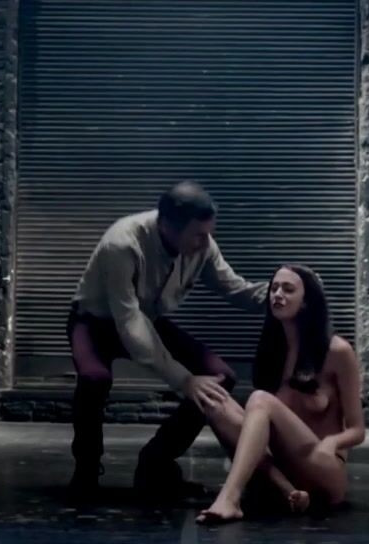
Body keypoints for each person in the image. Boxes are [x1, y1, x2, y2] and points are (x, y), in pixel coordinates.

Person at [66, 181, 268, 498]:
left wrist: (285, 292)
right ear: (167, 226)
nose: (206, 242)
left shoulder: (203, 245)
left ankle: (155, 464)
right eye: (198, 235)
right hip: (95, 321)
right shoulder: (122, 243)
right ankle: (86, 469)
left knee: (220, 377)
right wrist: (184, 379)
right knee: (94, 379)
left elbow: (235, 288)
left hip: (146, 318)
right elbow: (128, 319)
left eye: (208, 233)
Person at [196, 264, 365, 523]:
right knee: (215, 402)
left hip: (322, 467)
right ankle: (288, 490)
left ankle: (230, 498)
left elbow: (357, 430)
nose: (277, 294)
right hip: (284, 464)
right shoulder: (273, 350)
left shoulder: (337, 351)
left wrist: (331, 443)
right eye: (274, 288)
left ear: (306, 301)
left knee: (260, 399)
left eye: (288, 289)